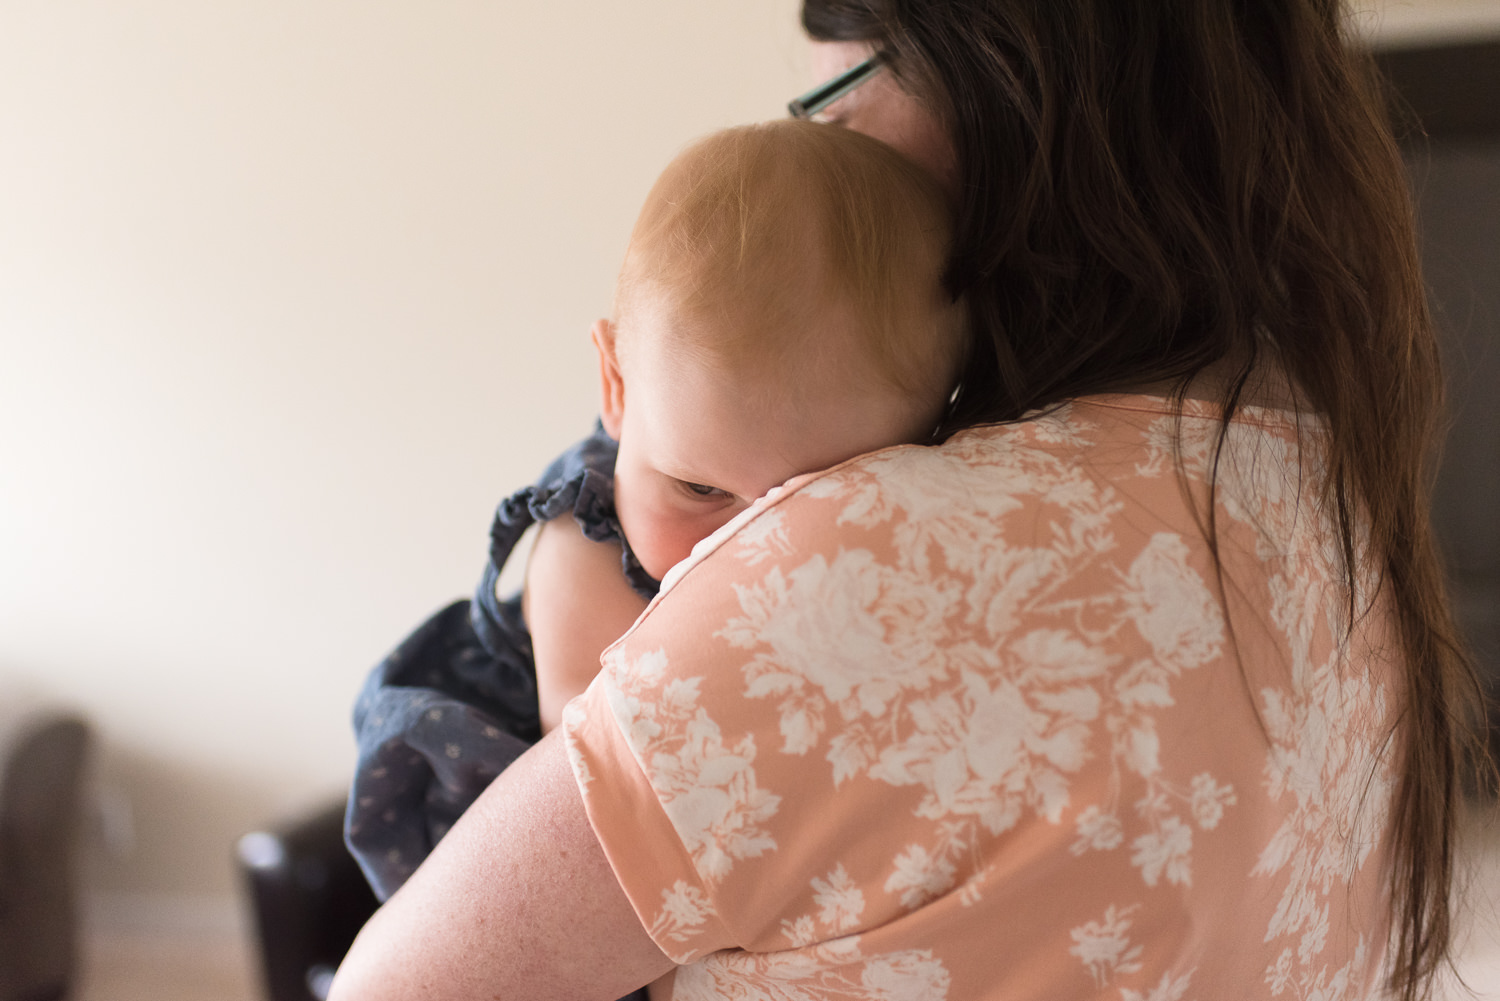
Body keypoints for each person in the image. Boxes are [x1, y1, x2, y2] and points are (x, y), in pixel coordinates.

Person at [328, 1, 1489, 999]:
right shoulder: (1315, 496)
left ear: (1009, 73)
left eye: (853, 73)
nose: (831, 129)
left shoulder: (868, 565)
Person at [344, 118, 966, 901]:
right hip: (528, 818)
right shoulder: (584, 549)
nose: (738, 548)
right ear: (616, 386)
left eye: (809, 506)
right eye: (702, 490)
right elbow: (604, 801)